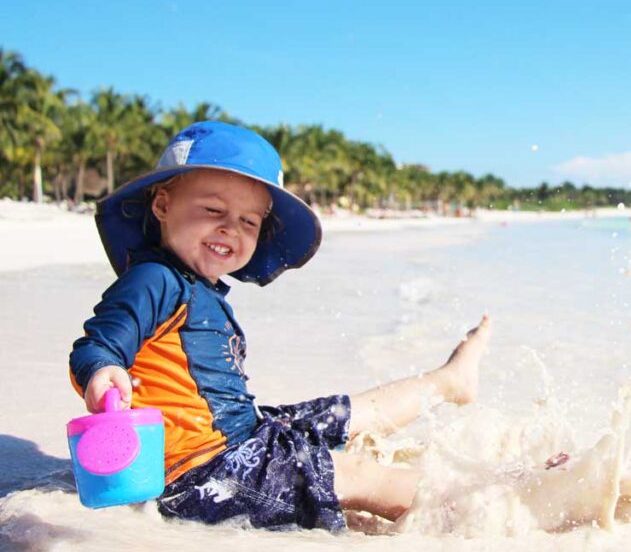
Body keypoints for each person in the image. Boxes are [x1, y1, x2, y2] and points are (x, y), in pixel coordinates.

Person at [69, 121, 490, 531]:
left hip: (243, 439)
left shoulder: (200, 287)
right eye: (213, 209)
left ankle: (449, 382)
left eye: (248, 221)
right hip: (201, 475)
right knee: (360, 474)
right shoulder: (154, 279)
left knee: (341, 414)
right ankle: (488, 506)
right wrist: (104, 372)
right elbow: (97, 345)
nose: (229, 228)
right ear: (162, 205)